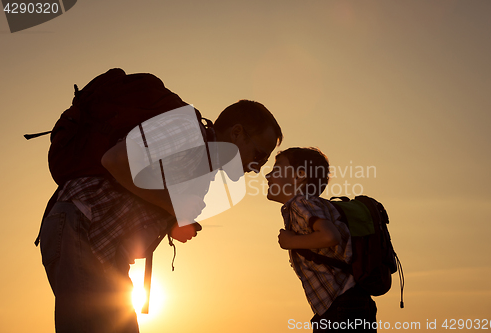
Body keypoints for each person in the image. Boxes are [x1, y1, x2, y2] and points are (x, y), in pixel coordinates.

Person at [40, 99, 283, 333]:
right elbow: (115, 159)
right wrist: (174, 209)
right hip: (80, 223)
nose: (258, 167)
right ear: (237, 133)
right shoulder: (185, 129)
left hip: (107, 253)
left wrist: (175, 224)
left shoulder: (205, 173)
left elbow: (151, 201)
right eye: (259, 154)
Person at [265, 147, 377, 332]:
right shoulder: (312, 205)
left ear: (299, 175)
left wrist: (290, 242)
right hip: (348, 304)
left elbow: (329, 236)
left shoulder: (301, 203)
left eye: (276, 169)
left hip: (342, 308)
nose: (268, 175)